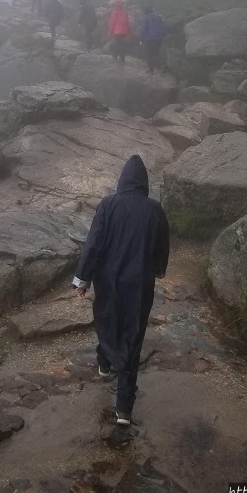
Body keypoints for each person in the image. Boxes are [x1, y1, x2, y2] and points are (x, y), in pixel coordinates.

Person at [72, 154, 170, 427]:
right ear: (144, 183)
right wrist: (159, 270)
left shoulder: (108, 205)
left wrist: (83, 279)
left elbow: (93, 244)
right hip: (139, 284)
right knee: (133, 335)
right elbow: (162, 246)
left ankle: (104, 365)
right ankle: (124, 410)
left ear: (122, 180)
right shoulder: (155, 210)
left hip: (109, 280)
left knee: (106, 321)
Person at [139, 5, 165, 74]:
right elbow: (163, 27)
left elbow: (143, 30)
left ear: (145, 11)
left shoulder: (145, 18)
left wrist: (141, 39)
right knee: (156, 54)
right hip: (158, 39)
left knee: (148, 54)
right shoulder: (159, 17)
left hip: (149, 39)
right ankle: (163, 66)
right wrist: (162, 36)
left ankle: (151, 70)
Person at [108, 0, 131, 64]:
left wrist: (110, 33)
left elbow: (112, 23)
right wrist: (129, 32)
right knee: (121, 44)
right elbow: (127, 23)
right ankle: (122, 57)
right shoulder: (125, 12)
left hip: (117, 31)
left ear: (115, 6)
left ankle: (115, 56)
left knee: (117, 44)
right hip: (124, 32)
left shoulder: (114, 12)